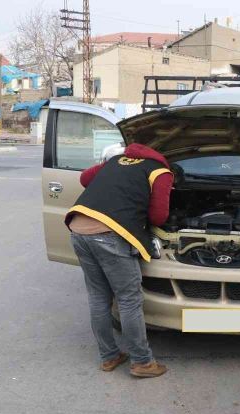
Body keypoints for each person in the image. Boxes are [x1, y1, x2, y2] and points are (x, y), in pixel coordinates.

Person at [65, 143, 174, 378]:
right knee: (128, 299)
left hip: (78, 228)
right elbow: (158, 216)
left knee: (98, 297)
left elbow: (85, 178)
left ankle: (109, 357)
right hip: (110, 235)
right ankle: (142, 362)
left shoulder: (117, 161)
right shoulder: (160, 172)